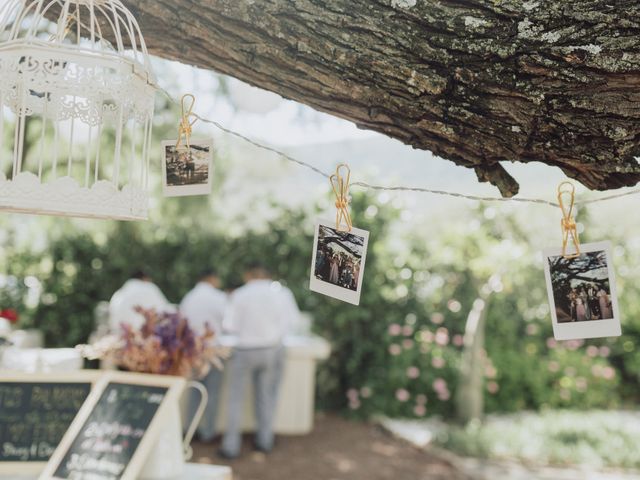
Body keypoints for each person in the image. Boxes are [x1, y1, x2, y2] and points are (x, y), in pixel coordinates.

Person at [219, 263, 299, 459]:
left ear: (249, 274)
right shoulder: (282, 293)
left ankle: (231, 446)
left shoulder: (241, 294)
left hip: (245, 351)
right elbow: (293, 322)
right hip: (271, 350)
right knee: (266, 396)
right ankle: (265, 441)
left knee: (235, 399)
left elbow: (229, 325)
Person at [180, 269, 227, 442]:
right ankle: (208, 432)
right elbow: (228, 321)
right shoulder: (218, 297)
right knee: (212, 392)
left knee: (194, 390)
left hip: (193, 350)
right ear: (212, 278)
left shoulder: (189, 297)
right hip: (213, 349)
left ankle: (190, 430)